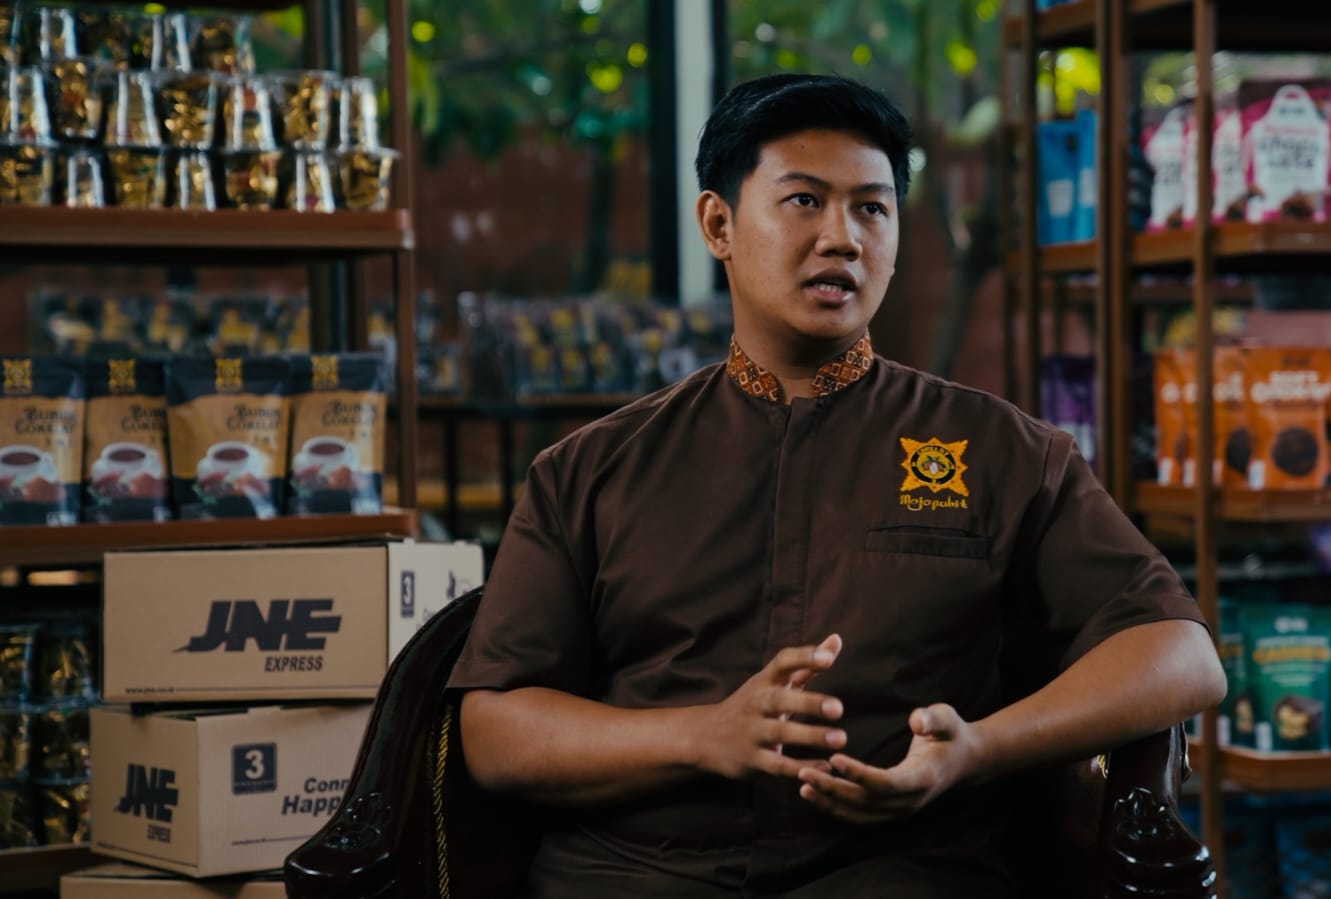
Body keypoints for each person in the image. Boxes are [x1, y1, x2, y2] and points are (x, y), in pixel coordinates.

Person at [451, 73, 1226, 898]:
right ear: (718, 223)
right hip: (635, 873)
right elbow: (494, 730)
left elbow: (1181, 656)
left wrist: (976, 748)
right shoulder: (591, 469)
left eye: (871, 209)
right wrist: (703, 735)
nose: (842, 238)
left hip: (898, 871)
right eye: (803, 201)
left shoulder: (999, 450)